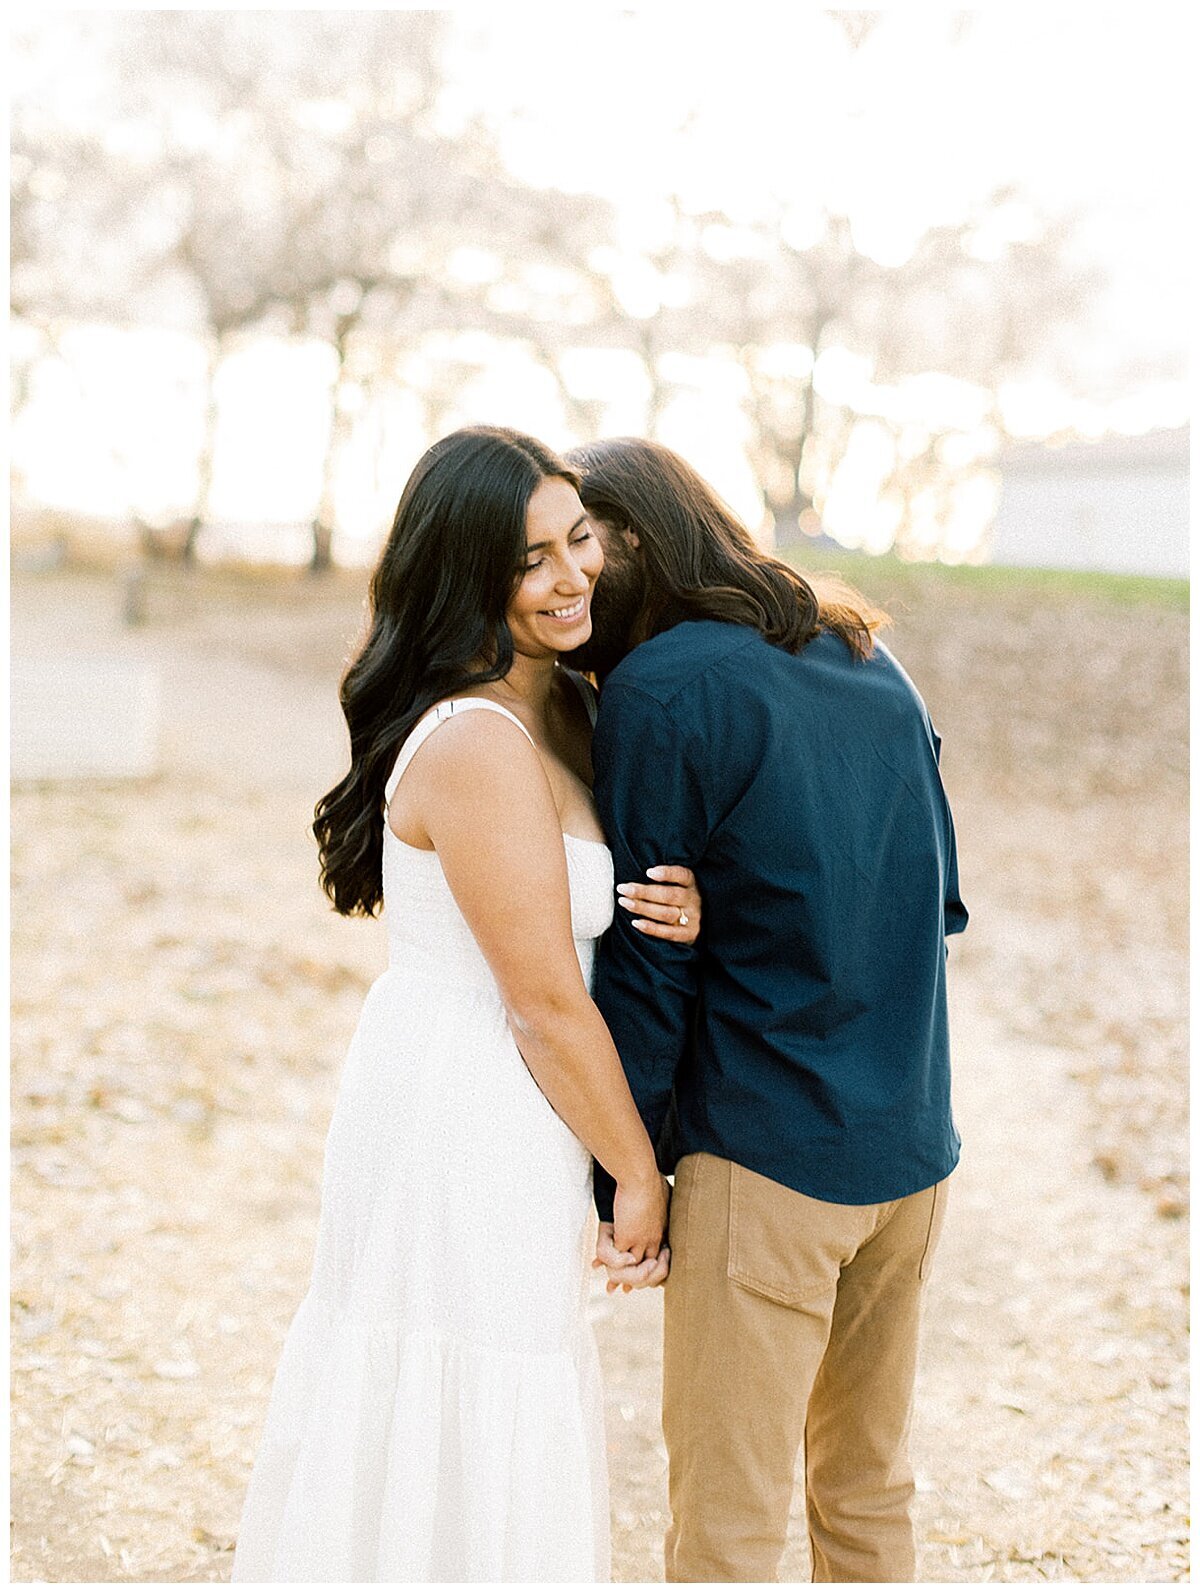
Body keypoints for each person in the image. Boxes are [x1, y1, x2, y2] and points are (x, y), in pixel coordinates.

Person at [230, 426, 702, 1583]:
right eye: (529, 558)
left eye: (577, 539)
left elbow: (591, 913)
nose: (571, 574)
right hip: (469, 1105)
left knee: (506, 1375)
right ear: (466, 575)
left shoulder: (566, 710)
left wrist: (680, 902)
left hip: (517, 1096)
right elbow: (541, 999)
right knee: (468, 1373)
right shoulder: (480, 739)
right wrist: (638, 1175)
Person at [566, 437, 968, 1584]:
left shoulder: (660, 688)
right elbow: (929, 902)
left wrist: (620, 1178)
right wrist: (735, 902)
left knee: (727, 1534)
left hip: (770, 1164)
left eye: (588, 547)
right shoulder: (865, 653)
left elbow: (648, 976)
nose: (575, 579)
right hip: (913, 1153)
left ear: (638, 537)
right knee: (865, 1494)